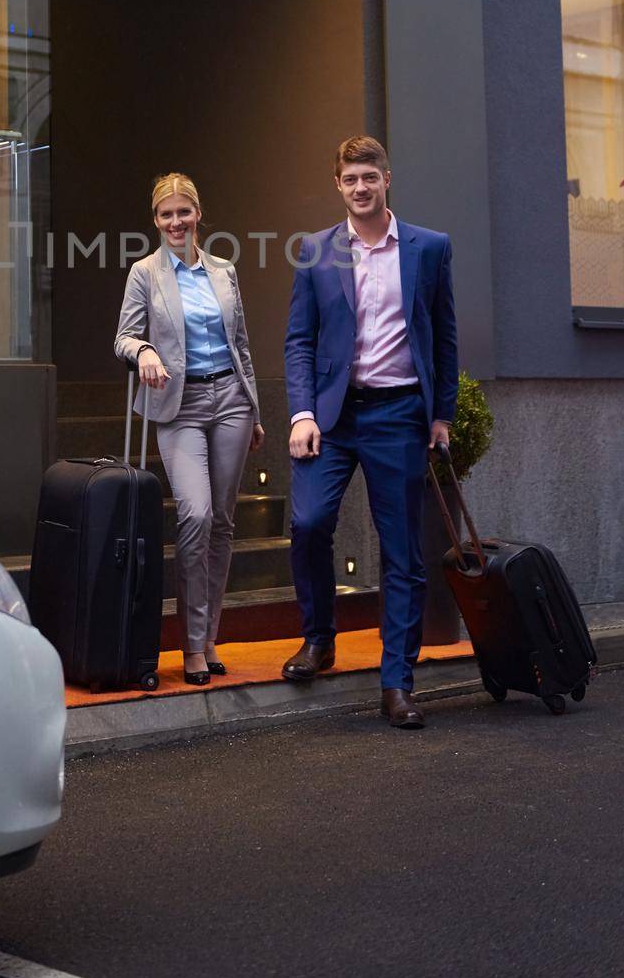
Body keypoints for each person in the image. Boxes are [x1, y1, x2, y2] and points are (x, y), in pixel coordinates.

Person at [283, 135, 457, 729]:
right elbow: (299, 341)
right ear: (338, 184)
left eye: (370, 176)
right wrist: (302, 414)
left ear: (388, 178)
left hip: (398, 414)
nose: (361, 187)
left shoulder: (429, 249)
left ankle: (397, 683)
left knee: (402, 552)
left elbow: (445, 338)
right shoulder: (315, 251)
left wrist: (442, 416)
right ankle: (319, 637)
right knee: (307, 524)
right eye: (350, 179)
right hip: (333, 417)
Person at [115, 173, 264, 685]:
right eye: (165, 215)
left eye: (183, 212)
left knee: (222, 521)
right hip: (180, 404)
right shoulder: (145, 273)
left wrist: (255, 410)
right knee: (195, 515)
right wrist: (146, 351)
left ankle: (207, 639)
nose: (175, 222)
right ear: (155, 221)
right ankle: (190, 642)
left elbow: (241, 346)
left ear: (198, 214)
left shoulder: (224, 271)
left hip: (231, 403)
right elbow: (124, 338)